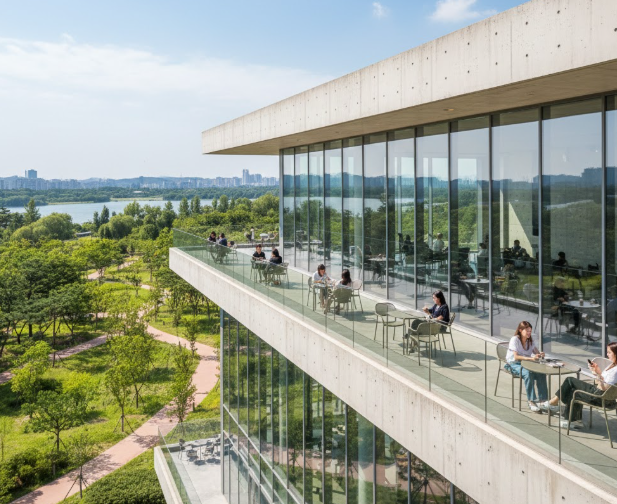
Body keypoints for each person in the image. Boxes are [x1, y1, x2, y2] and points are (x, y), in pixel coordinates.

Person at [540, 342, 617, 428]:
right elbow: (599, 382)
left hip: (600, 397)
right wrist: (596, 372)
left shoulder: (615, 371)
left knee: (570, 381)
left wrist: (598, 374)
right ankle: (574, 419)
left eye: (609, 352)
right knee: (572, 388)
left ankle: (555, 404)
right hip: (602, 395)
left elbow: (604, 388)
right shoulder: (612, 365)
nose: (607, 354)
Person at [504, 321, 548, 412]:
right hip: (513, 364)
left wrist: (540, 354)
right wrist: (531, 359)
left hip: (527, 363)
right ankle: (531, 401)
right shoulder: (515, 340)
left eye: (530, 331)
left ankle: (543, 400)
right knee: (528, 373)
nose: (529, 333)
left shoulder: (530, 341)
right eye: (527, 331)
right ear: (520, 330)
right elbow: (516, 357)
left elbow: (536, 352)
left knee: (541, 373)